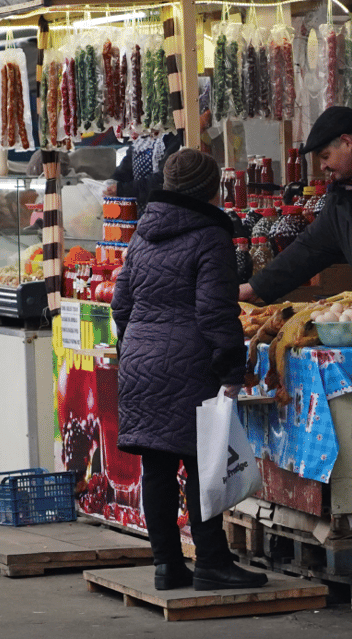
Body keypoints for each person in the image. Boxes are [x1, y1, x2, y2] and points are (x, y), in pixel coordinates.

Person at [111, 148, 267, 593]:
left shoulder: (142, 233)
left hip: (140, 360)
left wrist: (139, 344)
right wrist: (231, 369)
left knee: (157, 467)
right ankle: (213, 562)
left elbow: (121, 303)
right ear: (212, 188)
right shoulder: (209, 235)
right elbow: (215, 312)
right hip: (189, 360)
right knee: (202, 463)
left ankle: (166, 566)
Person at [238, 106, 352, 305]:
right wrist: (256, 287)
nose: (323, 167)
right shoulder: (341, 196)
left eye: (325, 156)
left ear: (347, 143)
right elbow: (309, 248)